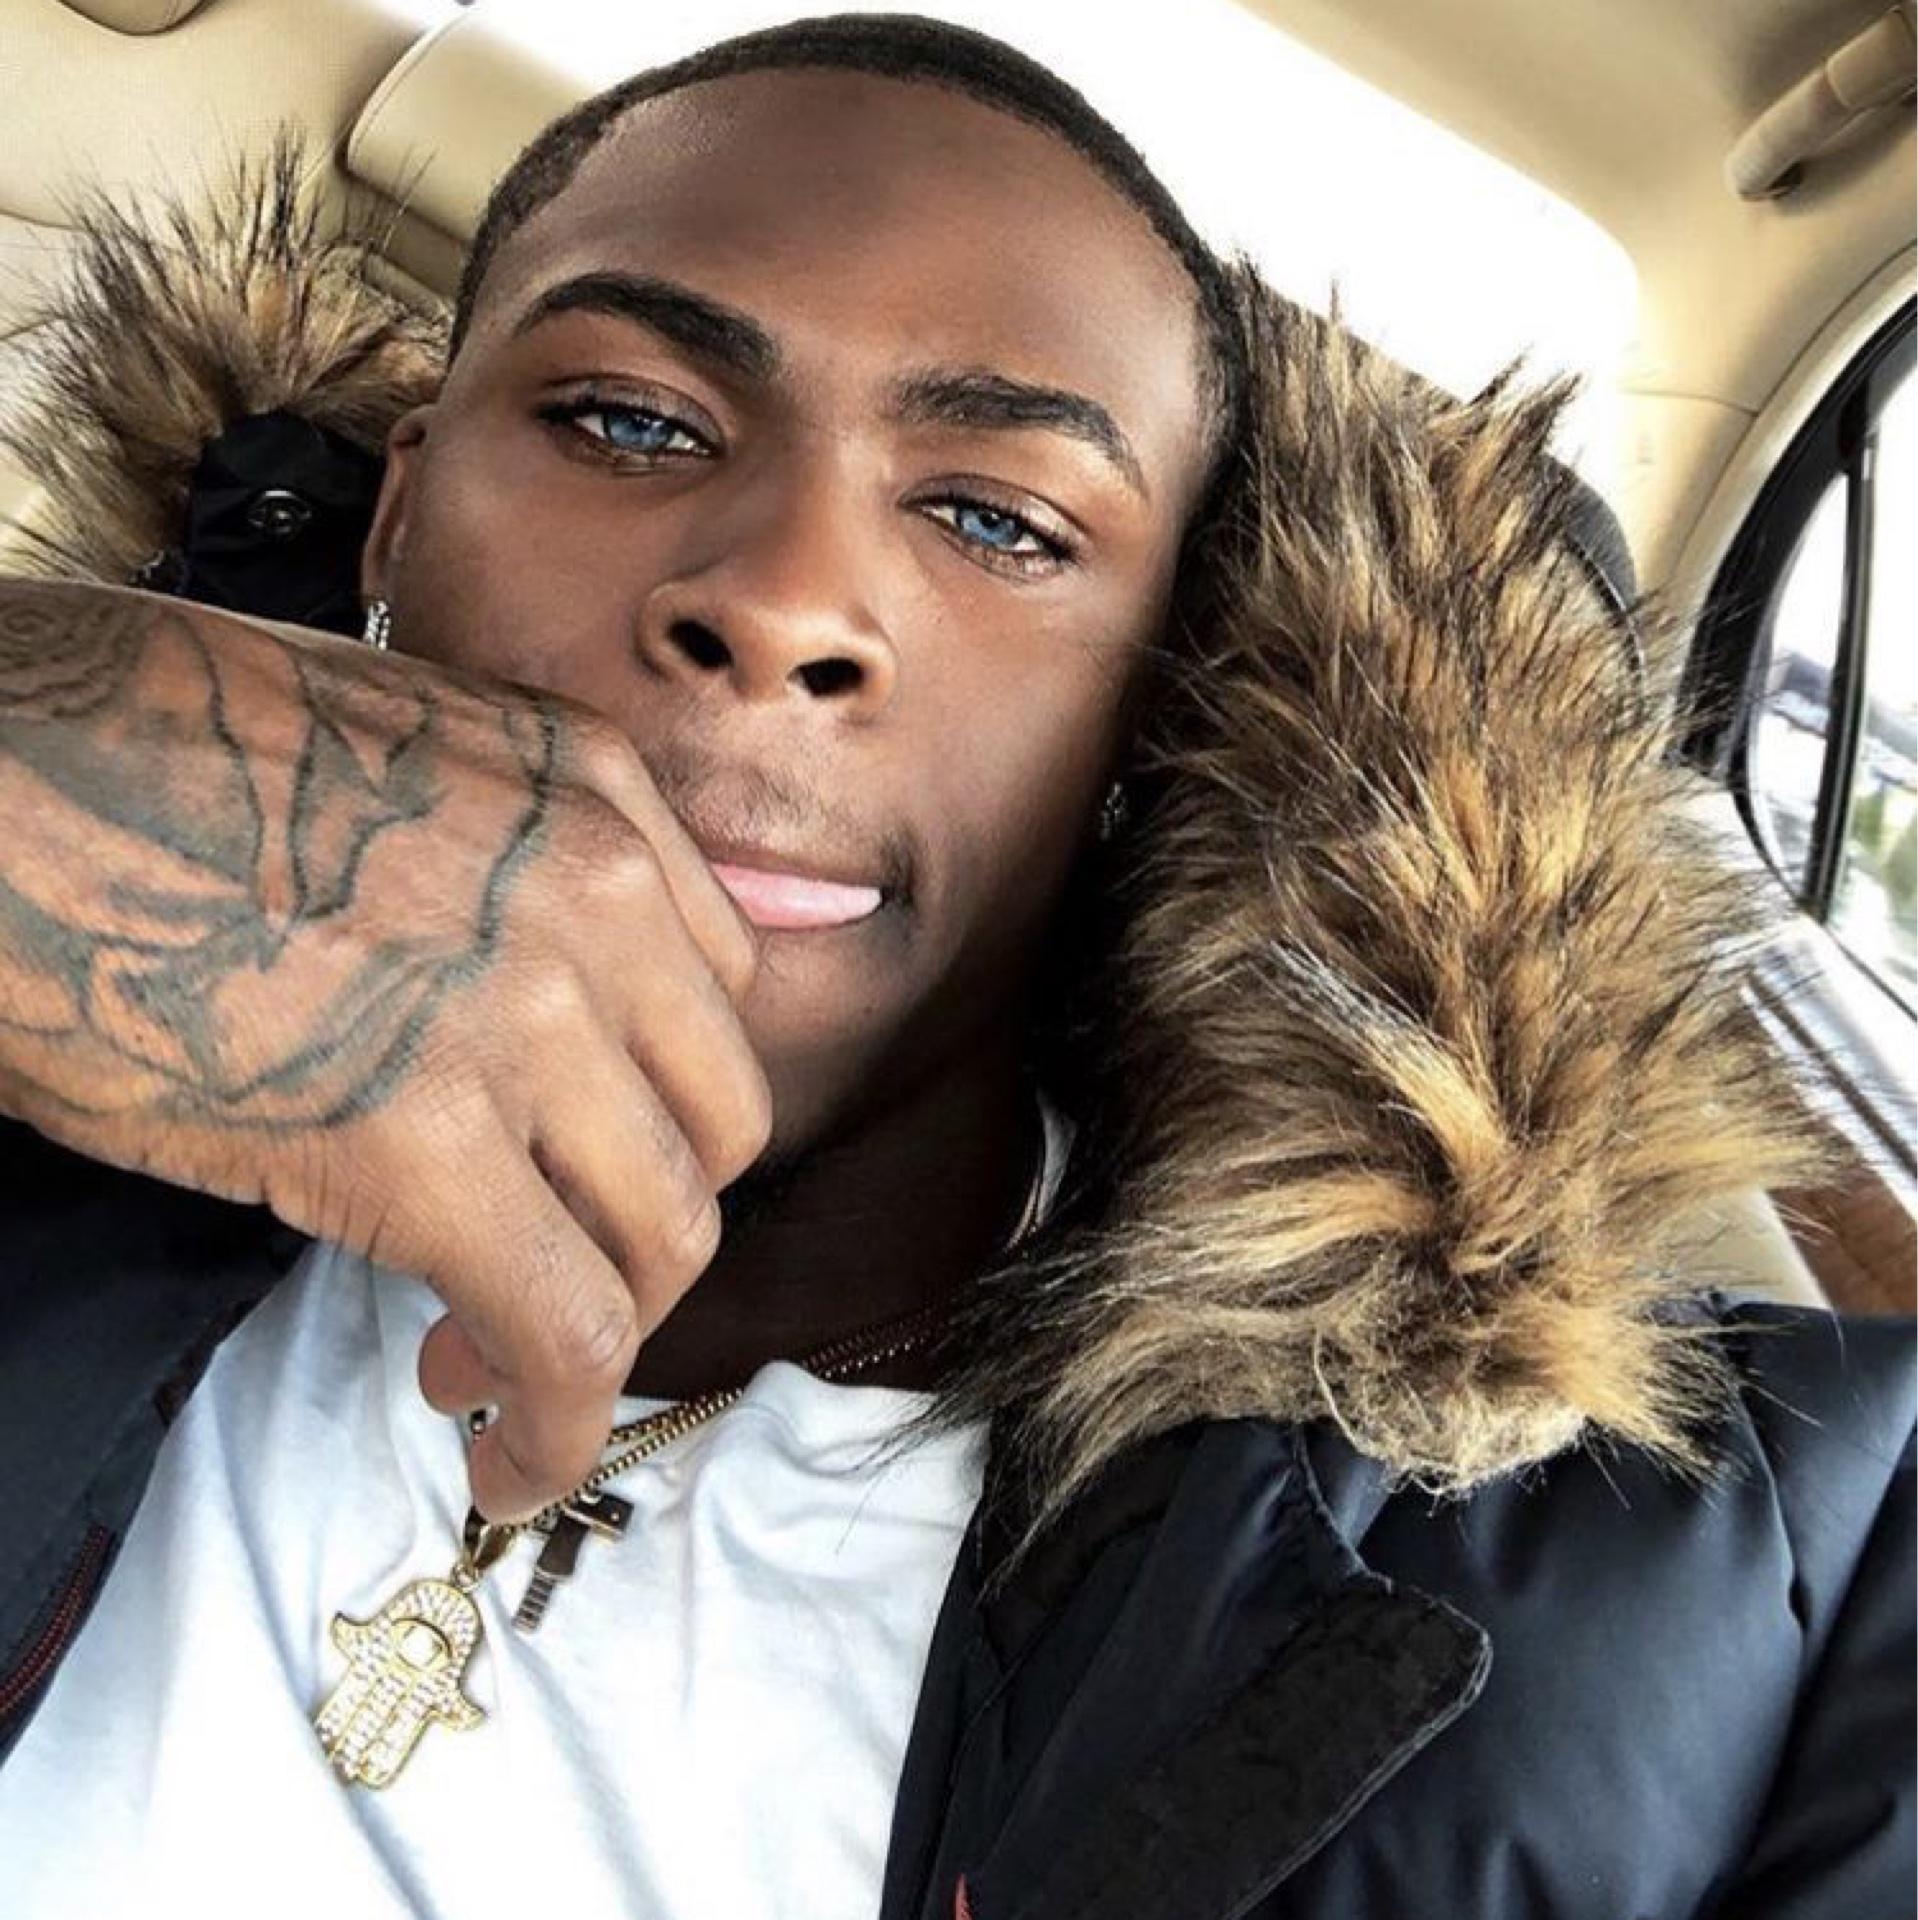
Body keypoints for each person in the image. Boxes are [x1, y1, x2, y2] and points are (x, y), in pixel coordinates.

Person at [0, 13, 1909, 1918]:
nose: (780, 604)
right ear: (399, 517)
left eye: (999, 520)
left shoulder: (1768, 1594)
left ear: (1162, 711)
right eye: (628, 422)